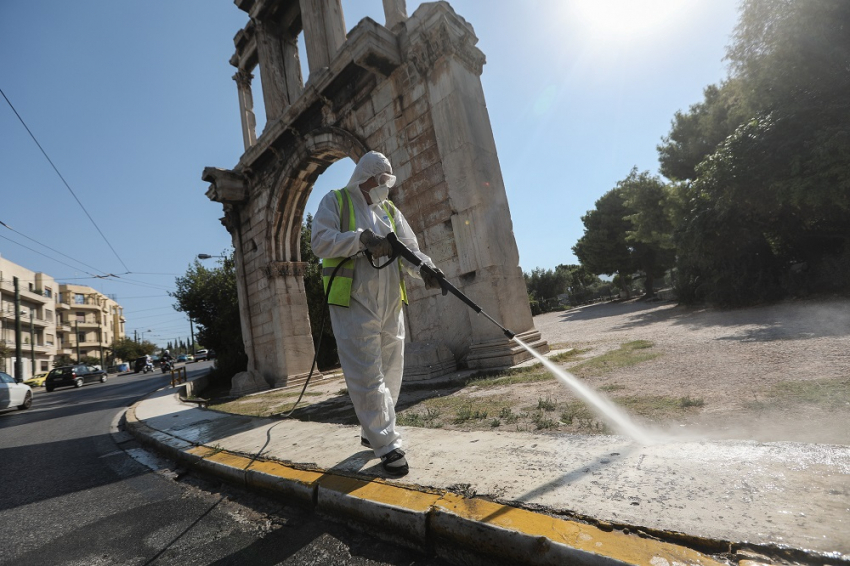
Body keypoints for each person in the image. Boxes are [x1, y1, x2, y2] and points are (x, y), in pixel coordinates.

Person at [311, 151, 442, 476]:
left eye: (388, 180)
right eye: (381, 180)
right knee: (367, 376)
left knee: (392, 371)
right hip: (354, 303)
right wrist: (360, 240)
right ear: (365, 177)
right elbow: (320, 242)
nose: (386, 186)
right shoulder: (336, 201)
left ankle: (374, 431)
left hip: (389, 304)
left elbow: (409, 249)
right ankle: (388, 445)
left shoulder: (389, 210)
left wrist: (427, 269)